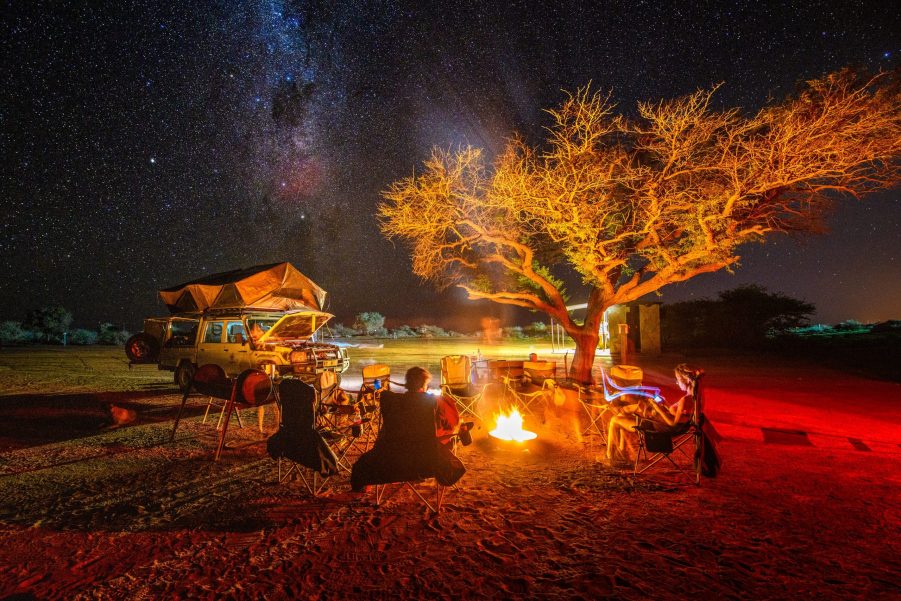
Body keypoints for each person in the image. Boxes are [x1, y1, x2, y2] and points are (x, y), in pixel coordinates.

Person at [351, 367, 465, 492]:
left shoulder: (390, 401)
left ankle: (364, 488)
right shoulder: (435, 401)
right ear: (424, 385)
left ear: (407, 384)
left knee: (360, 466)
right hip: (425, 461)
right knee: (447, 440)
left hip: (389, 460)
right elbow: (453, 424)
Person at [606, 363, 697, 463]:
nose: (677, 383)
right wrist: (664, 404)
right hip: (662, 423)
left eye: (678, 380)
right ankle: (621, 451)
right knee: (625, 414)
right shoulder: (693, 397)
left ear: (687, 380)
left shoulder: (685, 400)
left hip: (659, 427)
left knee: (614, 420)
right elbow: (676, 415)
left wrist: (657, 409)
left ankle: (610, 455)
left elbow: (672, 423)